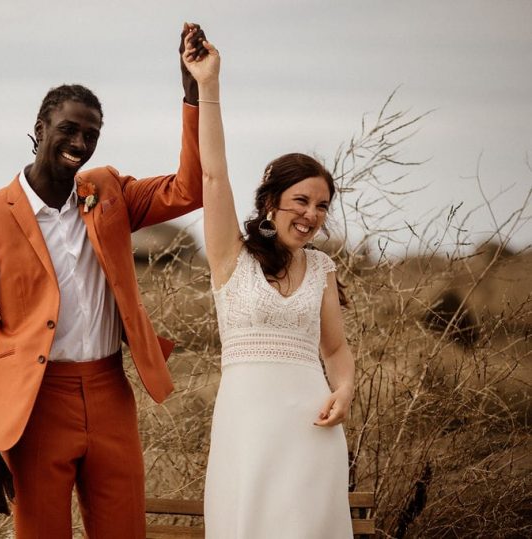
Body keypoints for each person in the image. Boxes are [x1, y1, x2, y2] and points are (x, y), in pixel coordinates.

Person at [0, 24, 209, 539]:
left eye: (91, 134)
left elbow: (190, 188)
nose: (80, 143)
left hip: (111, 392)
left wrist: (193, 94)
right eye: (69, 129)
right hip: (37, 404)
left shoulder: (107, 191)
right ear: (40, 128)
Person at [182, 34, 355, 537]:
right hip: (248, 431)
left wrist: (344, 388)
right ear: (272, 201)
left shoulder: (322, 270)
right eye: (302, 200)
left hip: (311, 432)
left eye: (322, 206)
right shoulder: (230, 257)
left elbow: (336, 348)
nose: (311, 215)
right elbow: (212, 177)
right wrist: (208, 86)